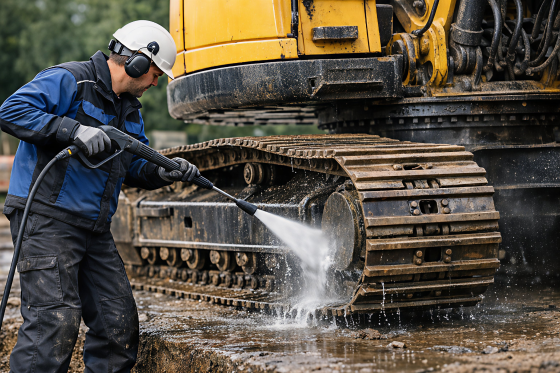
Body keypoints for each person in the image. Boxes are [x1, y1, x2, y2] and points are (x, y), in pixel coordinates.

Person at [0, 20, 198, 372]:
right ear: (137, 61)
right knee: (54, 324)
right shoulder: (71, 79)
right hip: (46, 218)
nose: (155, 82)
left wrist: (161, 171)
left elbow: (132, 166)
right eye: (154, 73)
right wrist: (72, 129)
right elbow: (11, 110)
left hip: (93, 228)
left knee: (117, 325)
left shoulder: (131, 111)